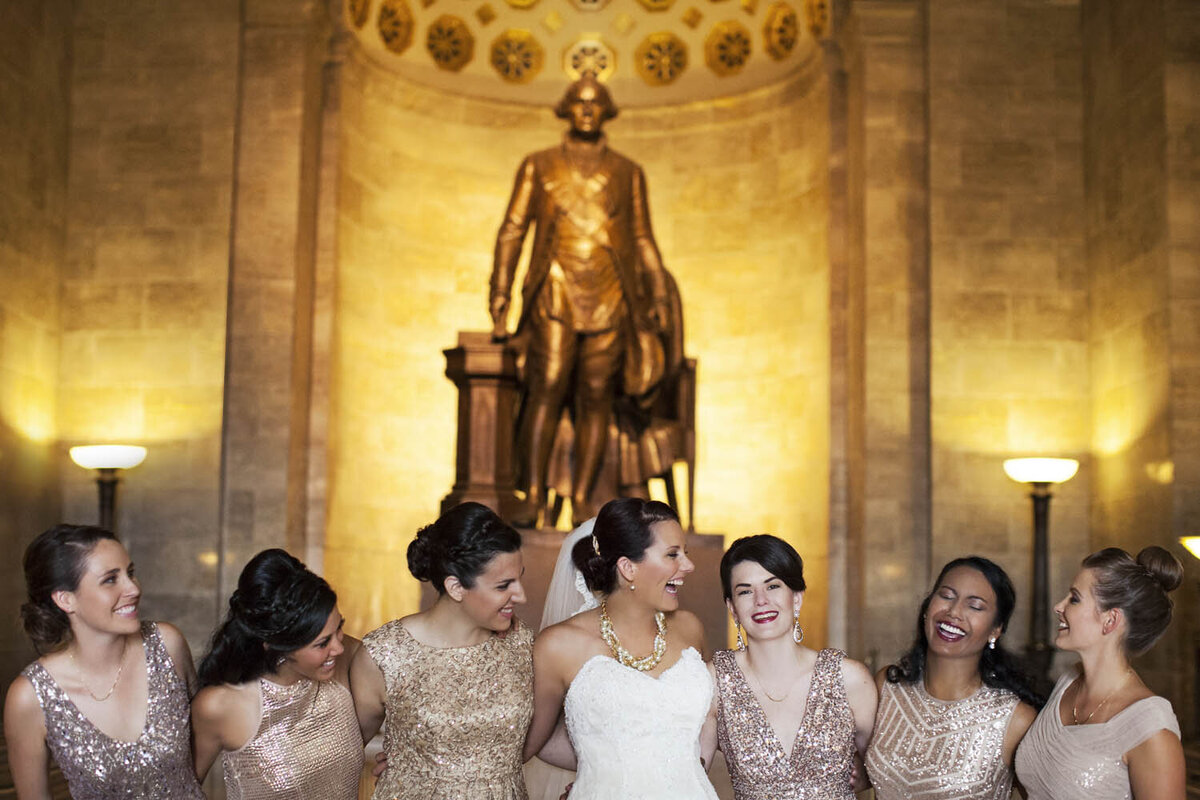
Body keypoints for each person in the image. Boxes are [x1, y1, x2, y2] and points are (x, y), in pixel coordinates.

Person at [491, 74, 676, 527]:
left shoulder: (628, 171)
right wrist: (499, 291)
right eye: (580, 102)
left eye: (596, 103)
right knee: (547, 387)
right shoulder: (539, 164)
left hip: (611, 292)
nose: (588, 110)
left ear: (607, 109)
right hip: (554, 286)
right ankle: (533, 495)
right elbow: (513, 229)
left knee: (597, 397)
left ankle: (582, 499)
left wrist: (657, 292)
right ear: (567, 108)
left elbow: (642, 237)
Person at [525, 497, 717, 799]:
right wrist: (601, 769)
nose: (689, 566)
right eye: (672, 555)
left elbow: (705, 720)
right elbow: (531, 743)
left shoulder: (690, 629)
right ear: (628, 567)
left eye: (686, 553)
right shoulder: (559, 645)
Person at [3, 524, 204, 799]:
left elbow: (204, 735)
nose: (133, 588)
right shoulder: (30, 697)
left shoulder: (167, 645)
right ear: (66, 599)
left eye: (130, 573)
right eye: (110, 579)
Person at [351, 502, 533, 799]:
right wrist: (413, 767)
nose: (521, 595)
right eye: (504, 586)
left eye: (520, 578)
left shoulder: (521, 642)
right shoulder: (386, 656)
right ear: (456, 587)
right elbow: (343, 753)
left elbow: (540, 734)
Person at [707, 535, 877, 799]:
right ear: (732, 608)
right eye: (745, 591)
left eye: (773, 586)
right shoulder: (714, 680)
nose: (760, 600)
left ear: (796, 598)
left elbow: (888, 774)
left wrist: (864, 775)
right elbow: (688, 772)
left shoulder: (849, 678)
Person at [190, 549, 363, 798]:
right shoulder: (219, 705)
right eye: (322, 643)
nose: (339, 646)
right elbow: (180, 789)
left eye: (340, 628)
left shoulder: (349, 658)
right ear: (277, 645)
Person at [1015, 546, 1185, 799]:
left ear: (1110, 620)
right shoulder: (1068, 683)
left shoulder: (1150, 727)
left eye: (1074, 598)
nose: (1058, 606)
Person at [865, 556, 1041, 799]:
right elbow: (857, 773)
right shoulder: (887, 686)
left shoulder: (1016, 719)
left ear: (995, 629)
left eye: (975, 606)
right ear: (927, 608)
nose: (954, 612)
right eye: (946, 596)